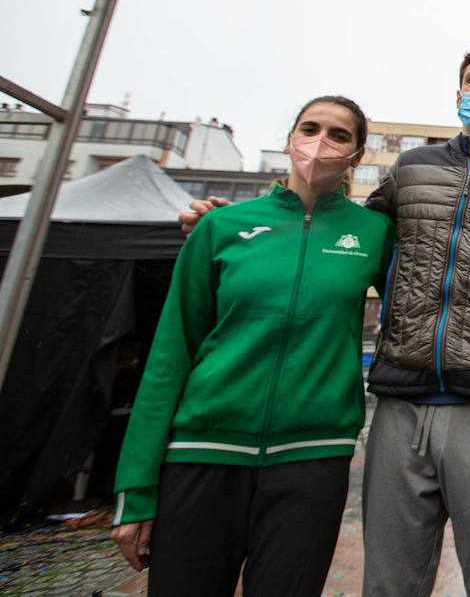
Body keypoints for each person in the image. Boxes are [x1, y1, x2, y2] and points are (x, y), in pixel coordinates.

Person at [179, 40, 470, 597]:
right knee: (389, 583)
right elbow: (345, 235)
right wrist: (249, 222)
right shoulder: (411, 169)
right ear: (458, 94)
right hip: (400, 403)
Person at [111, 96, 393, 594]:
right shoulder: (220, 226)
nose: (320, 143)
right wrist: (136, 488)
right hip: (202, 452)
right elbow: (170, 354)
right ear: (289, 141)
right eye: (310, 128)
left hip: (313, 459)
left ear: (357, 155)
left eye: (339, 135)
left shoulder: (375, 233)